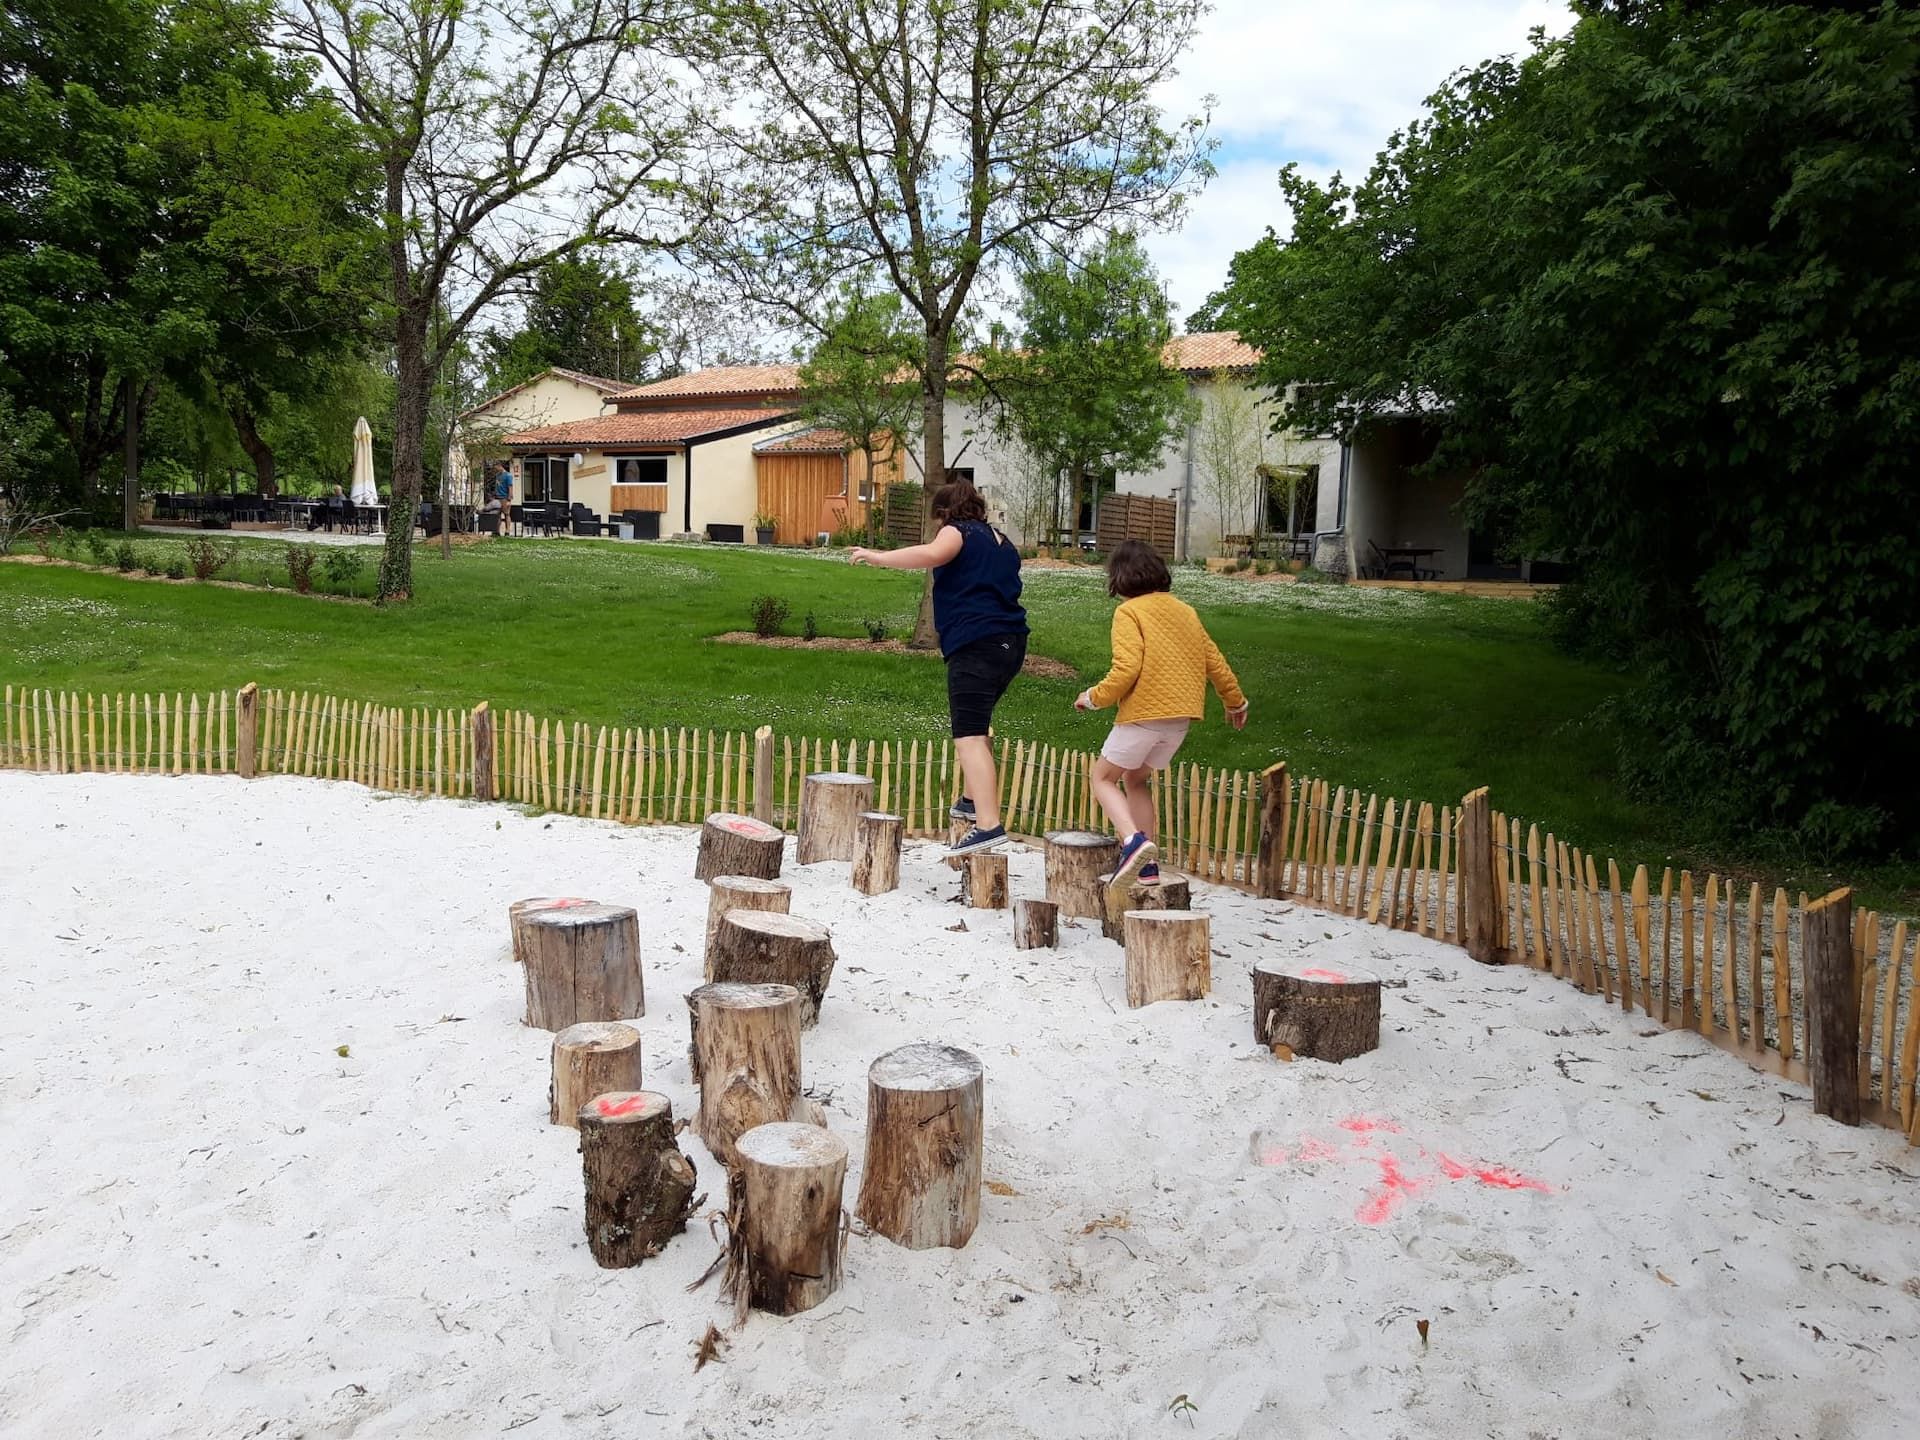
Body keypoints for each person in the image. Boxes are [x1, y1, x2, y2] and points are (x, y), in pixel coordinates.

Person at [849, 480, 1027, 856]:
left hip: (976, 641)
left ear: (946, 511)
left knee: (969, 736)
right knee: (978, 725)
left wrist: (878, 557)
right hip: (1011, 643)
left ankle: (988, 825)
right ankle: (969, 798)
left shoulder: (956, 531)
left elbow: (931, 555)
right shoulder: (1002, 541)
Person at [1075, 538, 1248, 887]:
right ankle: (1147, 866)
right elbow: (1214, 661)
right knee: (1135, 778)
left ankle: (1133, 841)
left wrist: (1093, 697)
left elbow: (1126, 669)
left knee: (1103, 777)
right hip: (1179, 719)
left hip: (1144, 714)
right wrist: (1235, 702)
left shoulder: (1129, 612)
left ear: (1119, 578)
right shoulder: (1185, 610)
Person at [492, 463, 513, 534]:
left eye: (496, 468)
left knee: (506, 514)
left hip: (504, 498)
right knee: (497, 514)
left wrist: (509, 500)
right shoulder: (497, 475)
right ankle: (497, 530)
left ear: (500, 466)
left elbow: (510, 488)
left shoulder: (508, 475)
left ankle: (507, 530)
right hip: (497, 497)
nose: (496, 469)